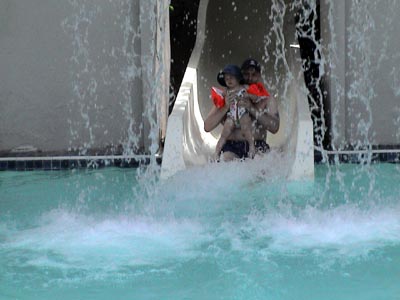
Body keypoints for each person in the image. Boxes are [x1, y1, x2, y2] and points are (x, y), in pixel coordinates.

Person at [204, 58, 280, 161]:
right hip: (231, 146)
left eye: (254, 75)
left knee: (260, 163)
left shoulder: (266, 100)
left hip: (257, 145)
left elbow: (274, 127)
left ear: (259, 76)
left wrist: (251, 108)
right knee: (226, 161)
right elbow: (207, 126)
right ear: (239, 76)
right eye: (246, 74)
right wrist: (226, 107)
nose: (249, 78)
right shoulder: (226, 96)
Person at [211, 64, 260, 161]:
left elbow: (256, 97)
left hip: (243, 113)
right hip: (231, 116)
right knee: (224, 134)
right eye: (226, 79)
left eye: (231, 78)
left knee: (246, 129)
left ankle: (251, 146)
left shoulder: (244, 87)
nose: (228, 80)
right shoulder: (226, 91)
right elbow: (219, 99)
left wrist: (249, 96)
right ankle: (216, 152)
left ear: (238, 78)